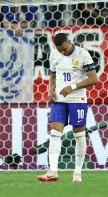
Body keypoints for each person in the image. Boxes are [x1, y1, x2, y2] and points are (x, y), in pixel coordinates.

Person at [36, 33, 98, 182]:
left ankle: (77, 173)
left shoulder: (83, 54)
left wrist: (73, 86)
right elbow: (52, 76)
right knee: (55, 133)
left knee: (79, 135)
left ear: (69, 42)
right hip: (59, 100)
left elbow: (93, 78)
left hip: (78, 99)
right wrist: (50, 91)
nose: (62, 52)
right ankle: (52, 172)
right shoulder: (54, 55)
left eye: (64, 49)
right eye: (59, 50)